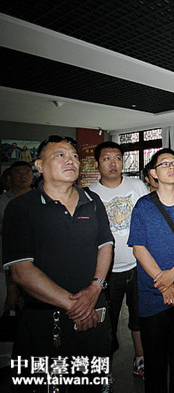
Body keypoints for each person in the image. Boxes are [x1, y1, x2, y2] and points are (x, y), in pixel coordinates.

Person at [2, 135, 113, 392]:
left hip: (94, 313)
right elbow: (21, 270)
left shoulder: (92, 201)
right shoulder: (21, 208)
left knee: (90, 381)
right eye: (60, 155)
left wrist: (95, 288)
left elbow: (105, 245)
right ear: (39, 166)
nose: (70, 160)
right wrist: (75, 306)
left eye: (74, 156)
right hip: (45, 319)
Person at [128, 148, 174, 393]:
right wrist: (163, 281)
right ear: (153, 173)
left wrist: (172, 275)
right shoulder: (143, 206)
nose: (172, 167)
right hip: (152, 292)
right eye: (165, 163)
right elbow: (138, 248)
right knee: (155, 359)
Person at [89, 141, 149, 382]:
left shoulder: (137, 186)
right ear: (97, 164)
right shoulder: (89, 194)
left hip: (138, 266)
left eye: (117, 158)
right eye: (106, 159)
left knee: (140, 318)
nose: (113, 164)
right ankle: (105, 374)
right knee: (106, 325)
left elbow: (149, 219)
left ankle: (140, 359)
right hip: (106, 272)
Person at [0, 161, 33, 316]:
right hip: (5, 265)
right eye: (18, 173)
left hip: (36, 265)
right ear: (9, 177)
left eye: (27, 172)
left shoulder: (40, 197)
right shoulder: (3, 200)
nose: (23, 176)